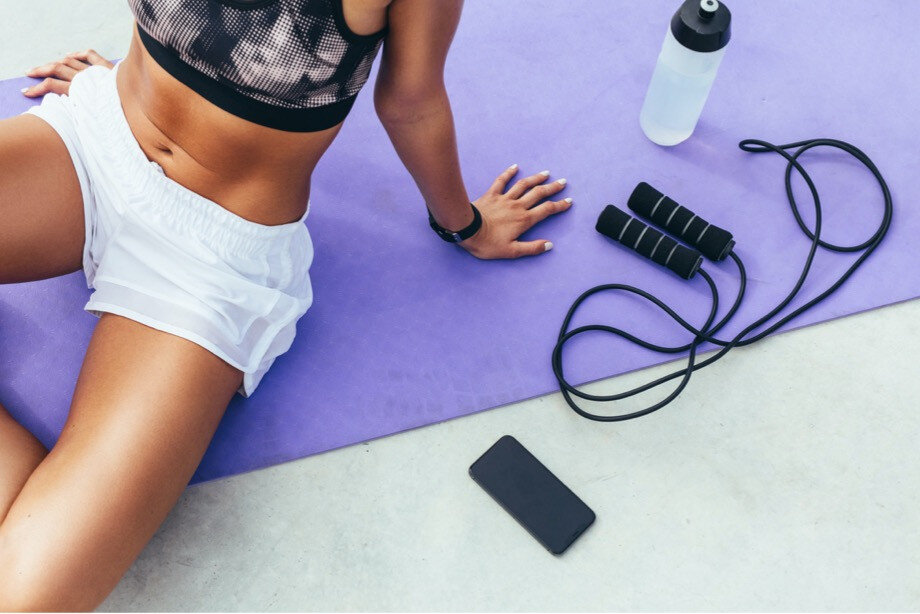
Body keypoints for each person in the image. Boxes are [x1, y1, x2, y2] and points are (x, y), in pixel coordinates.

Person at [0, 0, 572, 609]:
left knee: (22, 597)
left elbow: (411, 103)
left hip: (213, 257)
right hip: (96, 138)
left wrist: (466, 225)